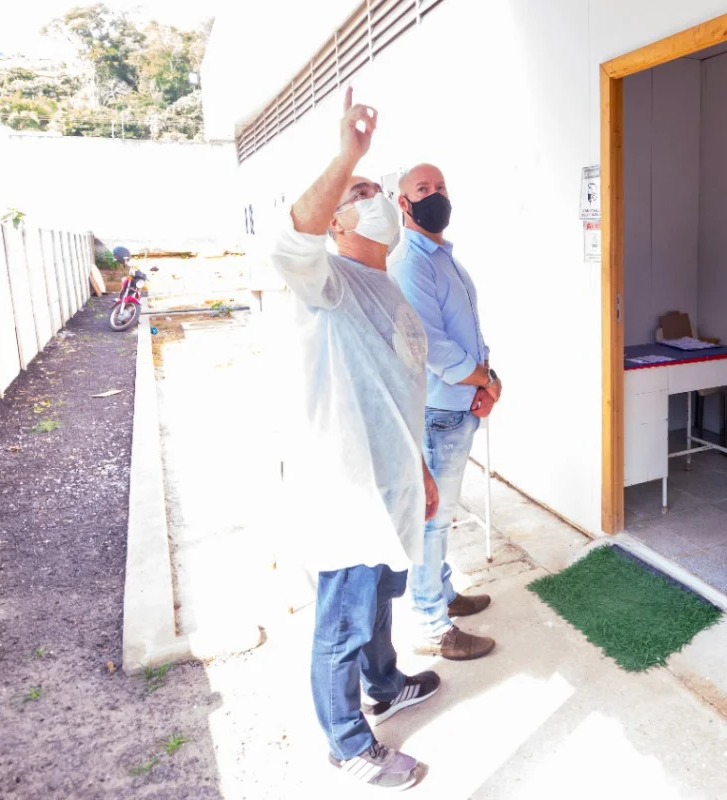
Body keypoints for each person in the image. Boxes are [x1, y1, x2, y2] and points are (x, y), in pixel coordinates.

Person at [268, 90, 439, 792]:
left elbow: (400, 393)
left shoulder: (387, 287)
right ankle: (346, 743)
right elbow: (290, 240)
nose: (373, 200)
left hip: (392, 481)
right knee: (342, 619)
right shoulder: (325, 282)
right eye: (357, 195)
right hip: (347, 489)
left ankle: (386, 685)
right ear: (336, 221)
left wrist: (421, 471)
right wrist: (347, 155)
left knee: (378, 601)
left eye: (375, 191)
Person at [390, 163, 501, 661]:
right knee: (432, 519)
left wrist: (487, 378)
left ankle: (444, 593)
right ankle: (431, 624)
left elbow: (468, 330)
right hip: (440, 409)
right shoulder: (410, 264)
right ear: (403, 203)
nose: (435, 195)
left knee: (443, 515)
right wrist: (484, 380)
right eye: (423, 189)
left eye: (440, 187)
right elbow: (433, 346)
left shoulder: (442, 257)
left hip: (459, 402)